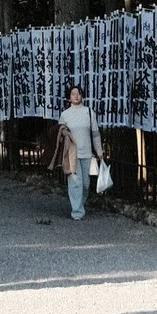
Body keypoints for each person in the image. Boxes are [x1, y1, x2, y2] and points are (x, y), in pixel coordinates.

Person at [52, 85, 102, 220]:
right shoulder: (65, 114)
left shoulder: (89, 112)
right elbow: (60, 134)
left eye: (78, 93)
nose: (76, 96)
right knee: (75, 183)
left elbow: (95, 133)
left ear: (82, 96)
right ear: (69, 97)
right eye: (73, 94)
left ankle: (80, 203)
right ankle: (77, 212)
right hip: (71, 154)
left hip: (87, 153)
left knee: (85, 184)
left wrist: (99, 150)